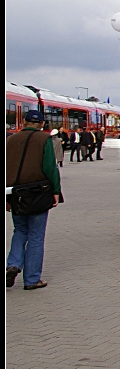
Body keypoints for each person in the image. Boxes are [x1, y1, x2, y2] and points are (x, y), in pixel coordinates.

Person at [5, 110, 61, 290]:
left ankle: (13, 264)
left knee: (20, 230)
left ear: (24, 122)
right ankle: (32, 279)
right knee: (36, 236)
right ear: (42, 124)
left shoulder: (10, 140)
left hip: (15, 193)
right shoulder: (44, 140)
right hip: (37, 192)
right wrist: (56, 191)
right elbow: (50, 167)